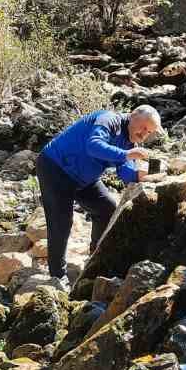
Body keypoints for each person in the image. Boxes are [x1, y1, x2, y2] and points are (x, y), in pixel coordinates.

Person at [37, 104, 161, 286]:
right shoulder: (109, 120)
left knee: (108, 209)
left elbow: (126, 175)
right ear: (133, 115)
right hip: (55, 168)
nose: (144, 135)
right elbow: (93, 145)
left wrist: (141, 176)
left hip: (83, 178)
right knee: (61, 220)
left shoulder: (130, 143)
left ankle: (94, 260)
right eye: (143, 128)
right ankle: (58, 276)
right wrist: (127, 154)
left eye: (149, 132)